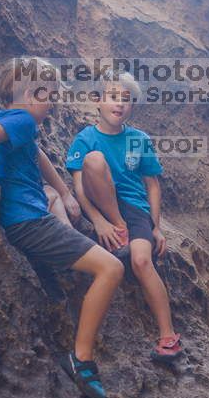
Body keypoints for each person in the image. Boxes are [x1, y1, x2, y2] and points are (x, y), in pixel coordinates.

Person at [0, 57, 124, 398]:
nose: (53, 103)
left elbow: (34, 152)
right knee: (111, 268)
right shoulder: (24, 119)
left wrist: (65, 192)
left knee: (54, 198)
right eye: (49, 95)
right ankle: (82, 359)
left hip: (26, 217)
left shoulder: (15, 122)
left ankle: (54, 279)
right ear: (30, 93)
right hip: (28, 223)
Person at [65, 70, 183, 363]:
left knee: (142, 260)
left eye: (127, 99)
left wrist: (155, 228)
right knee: (94, 160)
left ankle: (168, 336)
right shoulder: (86, 138)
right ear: (98, 101)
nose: (120, 104)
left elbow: (152, 184)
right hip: (104, 206)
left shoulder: (138, 139)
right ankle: (119, 230)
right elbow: (79, 187)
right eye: (113, 97)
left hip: (135, 208)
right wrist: (101, 221)